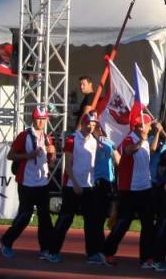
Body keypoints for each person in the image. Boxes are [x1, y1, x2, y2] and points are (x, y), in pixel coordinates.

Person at [52, 108, 114, 264]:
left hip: (89, 187)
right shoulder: (73, 140)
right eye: (89, 123)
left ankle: (92, 253)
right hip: (72, 186)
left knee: (91, 221)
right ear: (84, 123)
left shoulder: (94, 141)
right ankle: (52, 250)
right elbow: (67, 165)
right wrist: (75, 184)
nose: (91, 127)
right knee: (65, 219)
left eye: (94, 124)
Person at [105, 110, 163, 269]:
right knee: (124, 222)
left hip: (145, 188)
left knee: (148, 224)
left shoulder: (144, 139)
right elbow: (128, 151)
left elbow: (151, 149)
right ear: (139, 127)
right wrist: (141, 141)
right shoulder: (129, 139)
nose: (150, 128)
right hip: (129, 189)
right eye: (148, 126)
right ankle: (108, 251)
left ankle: (146, 257)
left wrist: (156, 134)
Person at [0, 105, 57, 260]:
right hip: (27, 182)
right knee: (25, 215)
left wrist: (52, 154)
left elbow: (50, 163)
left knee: (45, 217)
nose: (41, 122)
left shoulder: (47, 137)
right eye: (38, 118)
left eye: (43, 119)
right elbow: (10, 155)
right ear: (33, 119)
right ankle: (6, 240)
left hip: (42, 182)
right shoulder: (24, 136)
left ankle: (46, 249)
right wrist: (28, 155)